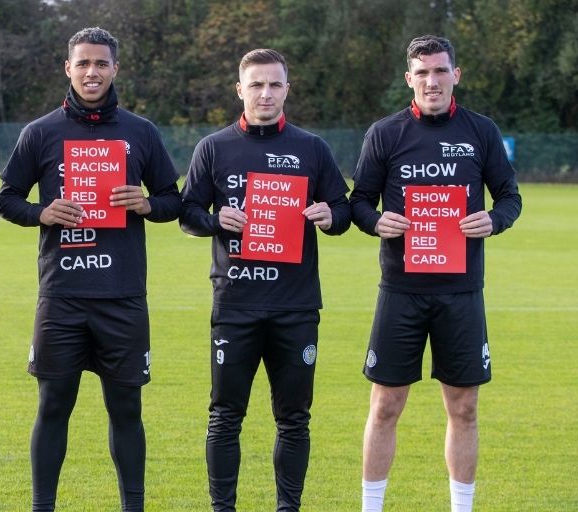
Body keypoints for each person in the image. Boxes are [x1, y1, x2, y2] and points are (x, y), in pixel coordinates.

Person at [0, 27, 181, 512]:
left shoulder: (141, 132)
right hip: (62, 297)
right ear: (68, 68)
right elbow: (6, 199)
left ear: (115, 69)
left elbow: (173, 200)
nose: (92, 72)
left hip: (122, 295)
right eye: (83, 63)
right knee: (53, 406)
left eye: (101, 64)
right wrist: (42, 212)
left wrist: (145, 203)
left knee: (126, 409)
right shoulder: (40, 132)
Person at [350, 35, 522, 512]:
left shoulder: (481, 131)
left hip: (461, 291)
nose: (432, 80)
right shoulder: (385, 133)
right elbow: (359, 201)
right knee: (385, 406)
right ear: (409, 78)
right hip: (401, 290)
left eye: (441, 70)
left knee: (464, 408)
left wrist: (495, 219)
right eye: (422, 72)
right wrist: (374, 221)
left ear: (456, 75)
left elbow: (509, 196)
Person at [179, 49, 351, 511]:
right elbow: (188, 214)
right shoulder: (213, 148)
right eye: (256, 84)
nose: (265, 93)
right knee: (225, 417)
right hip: (235, 305)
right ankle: (223, 508)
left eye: (275, 84)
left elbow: (346, 209)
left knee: (294, 420)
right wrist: (218, 219)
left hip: (295, 308)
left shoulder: (312, 148)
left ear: (287, 89)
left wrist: (329, 215)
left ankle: (287, 508)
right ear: (240, 89)